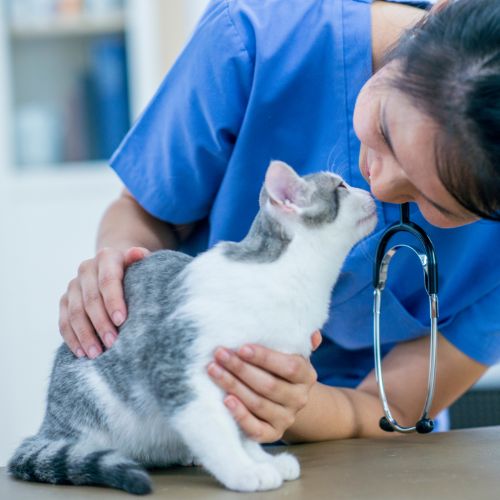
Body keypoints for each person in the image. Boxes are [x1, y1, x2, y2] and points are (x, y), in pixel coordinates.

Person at [58, 0, 500, 443]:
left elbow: (396, 409)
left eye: (436, 203)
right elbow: (143, 210)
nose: (380, 187)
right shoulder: (256, 36)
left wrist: (291, 400)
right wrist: (119, 268)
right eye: (384, 128)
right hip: (183, 402)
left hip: (366, 450)